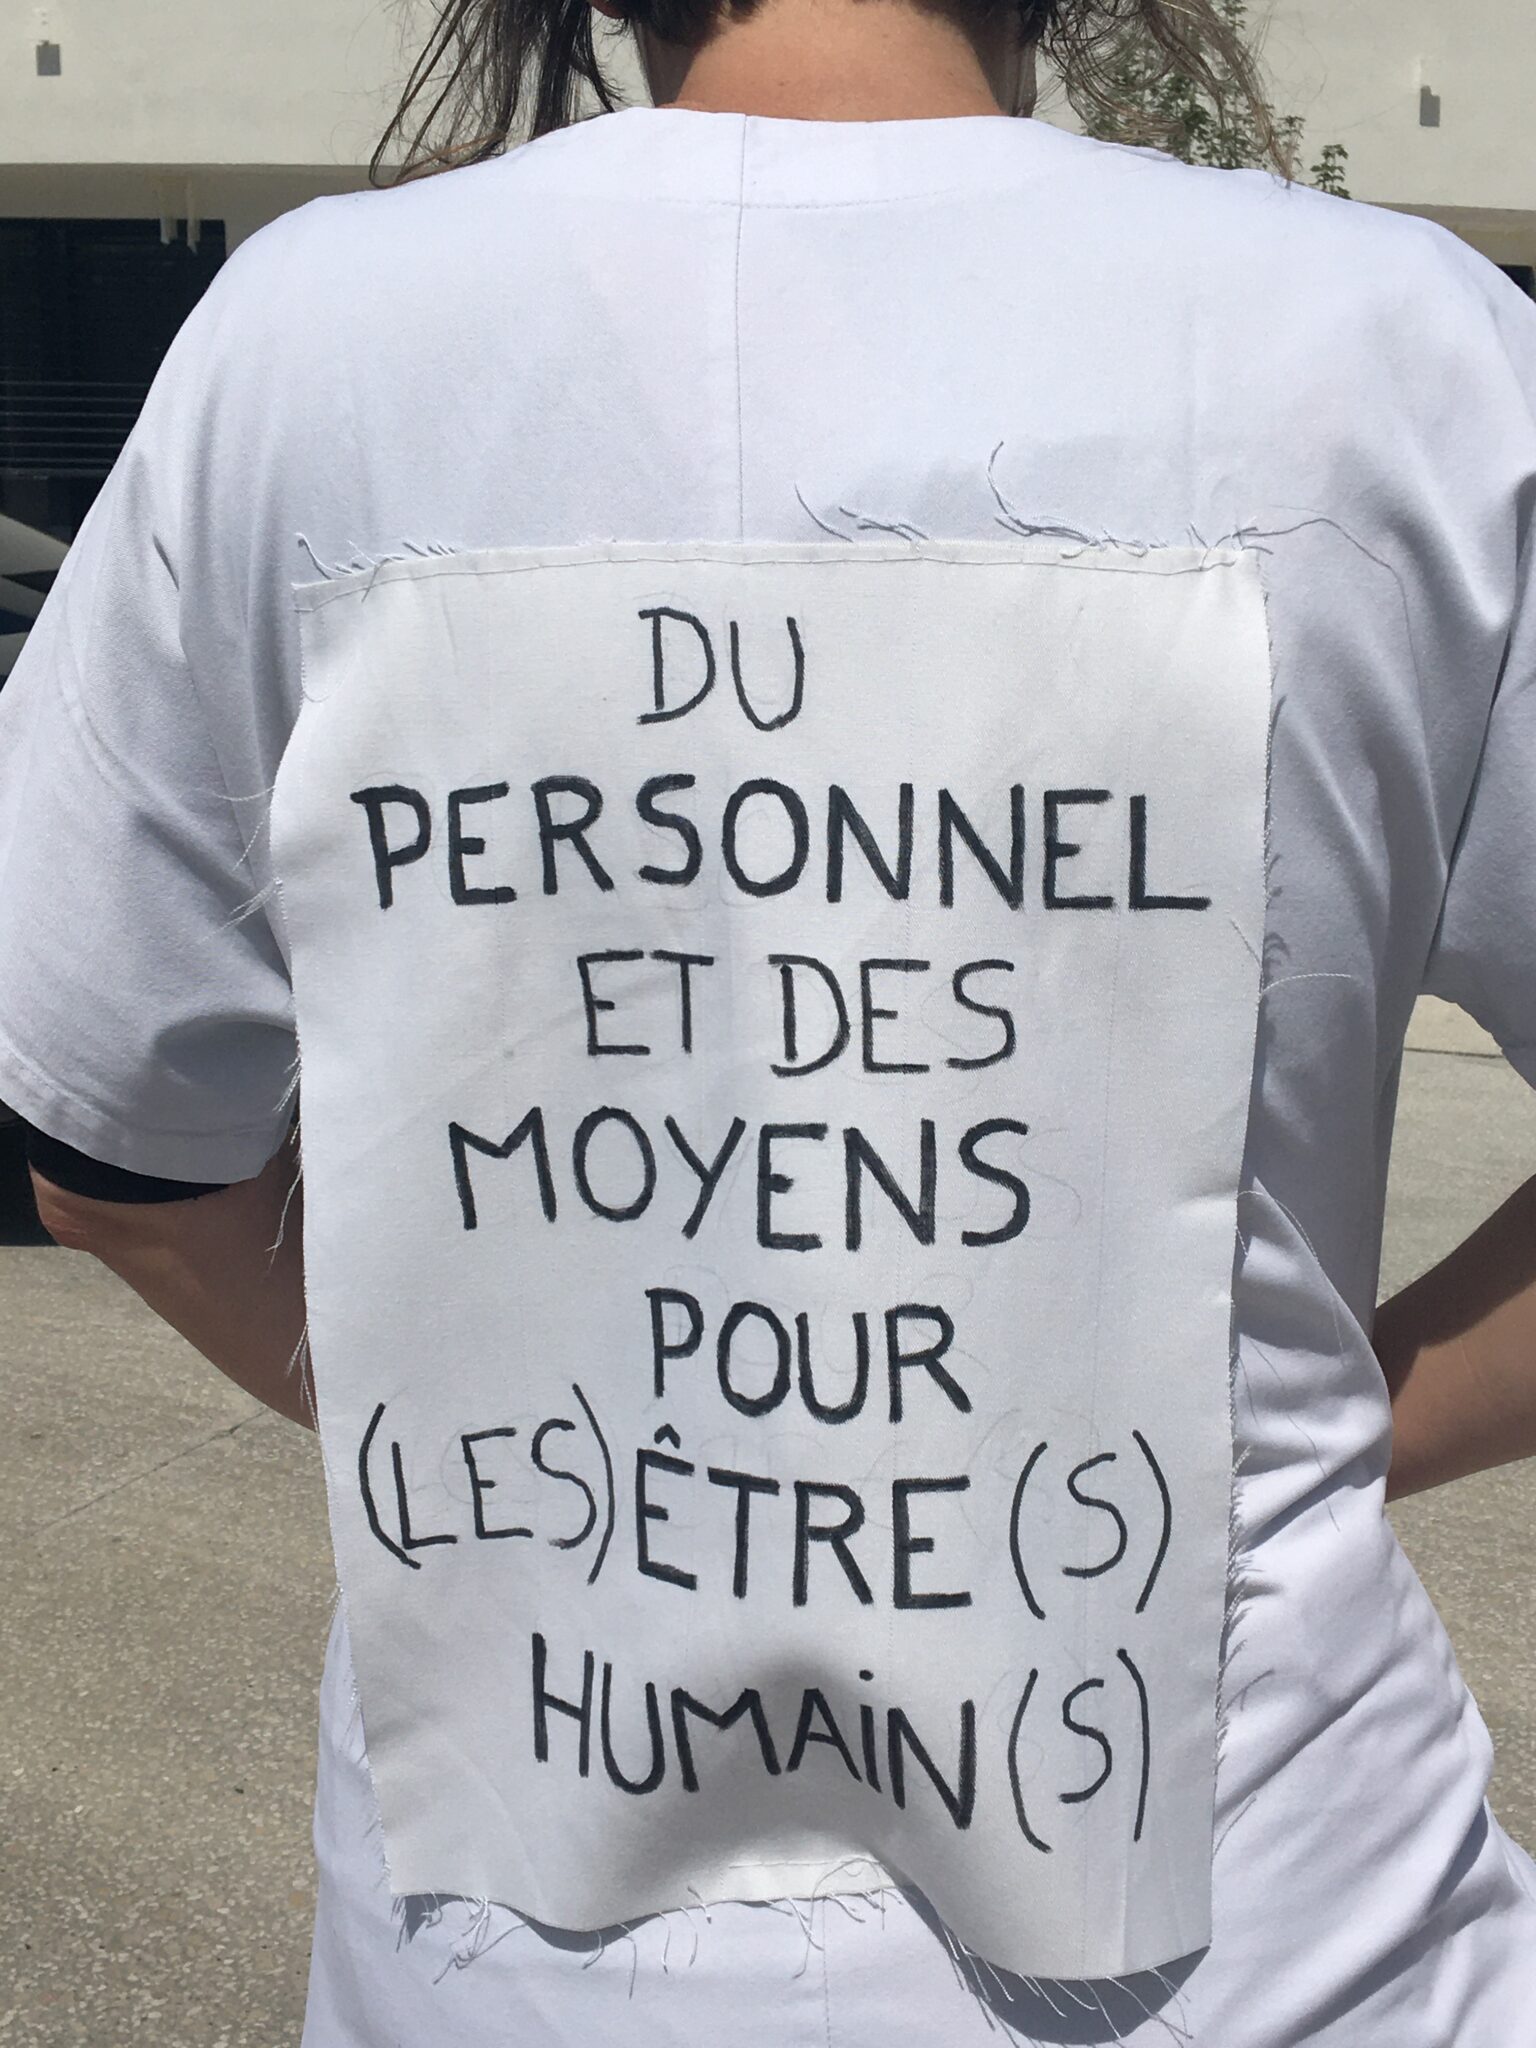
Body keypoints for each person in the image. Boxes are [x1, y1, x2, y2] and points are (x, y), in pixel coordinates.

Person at [2, 0, 1535, 2040]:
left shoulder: (298, 350)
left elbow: (109, 1157)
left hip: (511, 1972)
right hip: (1287, 1957)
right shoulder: (1403, 350)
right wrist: (1309, 1434)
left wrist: (519, 1457)